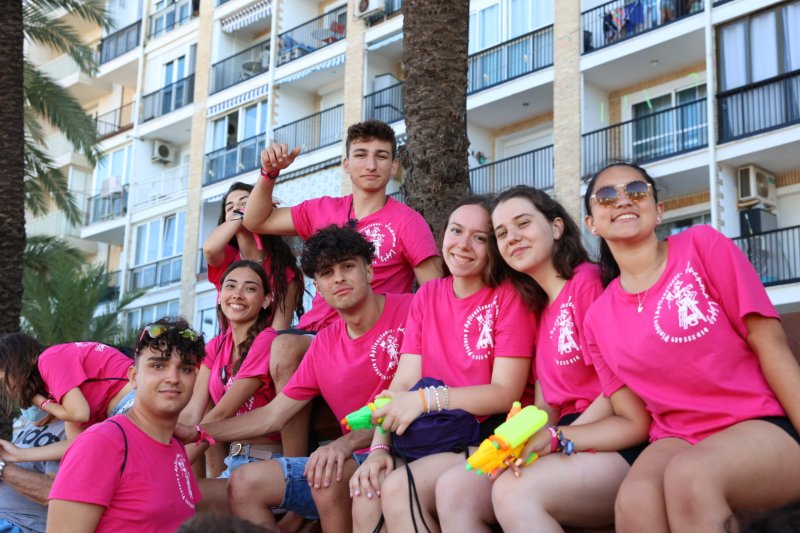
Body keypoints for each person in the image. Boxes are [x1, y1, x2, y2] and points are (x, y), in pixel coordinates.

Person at [582, 161, 800, 532]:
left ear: (658, 208)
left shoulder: (702, 245)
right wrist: (555, 439)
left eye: (636, 191)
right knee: (634, 501)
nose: (622, 201)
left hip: (757, 423)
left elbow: (769, 343)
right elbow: (631, 417)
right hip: (676, 436)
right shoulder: (597, 319)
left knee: (690, 476)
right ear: (591, 223)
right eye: (606, 196)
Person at [433, 185, 648, 532]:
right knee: (455, 487)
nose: (512, 238)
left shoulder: (587, 283)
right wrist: (511, 442)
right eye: (501, 233)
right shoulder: (540, 309)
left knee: (515, 490)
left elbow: (618, 388)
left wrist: (556, 440)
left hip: (613, 438)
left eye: (523, 224)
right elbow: (545, 406)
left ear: (557, 227)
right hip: (566, 434)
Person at [189, 226, 414, 533]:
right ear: (318, 289)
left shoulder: (412, 310)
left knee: (332, 470)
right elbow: (272, 415)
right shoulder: (323, 345)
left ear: (369, 271)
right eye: (326, 273)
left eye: (348, 267)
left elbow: (414, 397)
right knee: (244, 481)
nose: (338, 279)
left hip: (406, 448)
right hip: (347, 459)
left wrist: (344, 443)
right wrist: (196, 434)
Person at [243, 119, 441, 456]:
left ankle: (297, 472)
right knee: (268, 345)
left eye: (381, 156)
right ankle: (292, 469)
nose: (371, 164)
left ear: (394, 167)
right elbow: (255, 220)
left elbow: (435, 293)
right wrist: (268, 175)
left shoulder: (408, 221)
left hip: (374, 335)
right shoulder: (323, 209)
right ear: (346, 163)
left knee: (284, 348)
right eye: (361, 155)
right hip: (318, 335)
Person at [349, 195, 538, 533]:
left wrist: (427, 400)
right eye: (456, 231)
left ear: (493, 247)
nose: (463, 245)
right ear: (443, 236)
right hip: (427, 435)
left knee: (398, 488)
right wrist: (379, 447)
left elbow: (504, 392)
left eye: (479, 237)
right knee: (366, 491)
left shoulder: (509, 295)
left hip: (486, 435)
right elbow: (404, 382)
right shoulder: (429, 293)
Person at [47, 317, 206, 533]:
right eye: (158, 365)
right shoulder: (102, 443)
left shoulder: (176, 446)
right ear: (133, 376)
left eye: (185, 369)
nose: (173, 377)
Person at [179, 261, 283, 510]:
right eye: (230, 286)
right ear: (219, 296)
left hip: (268, 464)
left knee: (183, 499)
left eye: (249, 289)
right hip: (233, 462)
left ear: (267, 300)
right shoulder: (215, 346)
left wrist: (173, 464)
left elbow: (222, 413)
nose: (237, 294)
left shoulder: (267, 340)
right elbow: (193, 412)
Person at [0, 334, 135, 461]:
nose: (7, 387)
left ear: (18, 362)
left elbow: (79, 414)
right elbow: (76, 443)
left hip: (134, 398)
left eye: (4, 378)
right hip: (126, 409)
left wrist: (41, 402)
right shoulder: (59, 384)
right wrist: (18, 454)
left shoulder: (49, 359)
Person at [203, 181, 303, 330]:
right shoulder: (227, 257)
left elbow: (279, 330)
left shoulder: (287, 272)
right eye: (230, 208)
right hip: (229, 348)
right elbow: (209, 249)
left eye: (244, 203)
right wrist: (242, 213)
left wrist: (261, 213)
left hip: (265, 349)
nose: (237, 209)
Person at [0, 412, 66, 533]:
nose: (25, 405)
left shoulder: (69, 432)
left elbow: (52, 492)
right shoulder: (32, 426)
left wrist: (2, 467)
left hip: (18, 524)